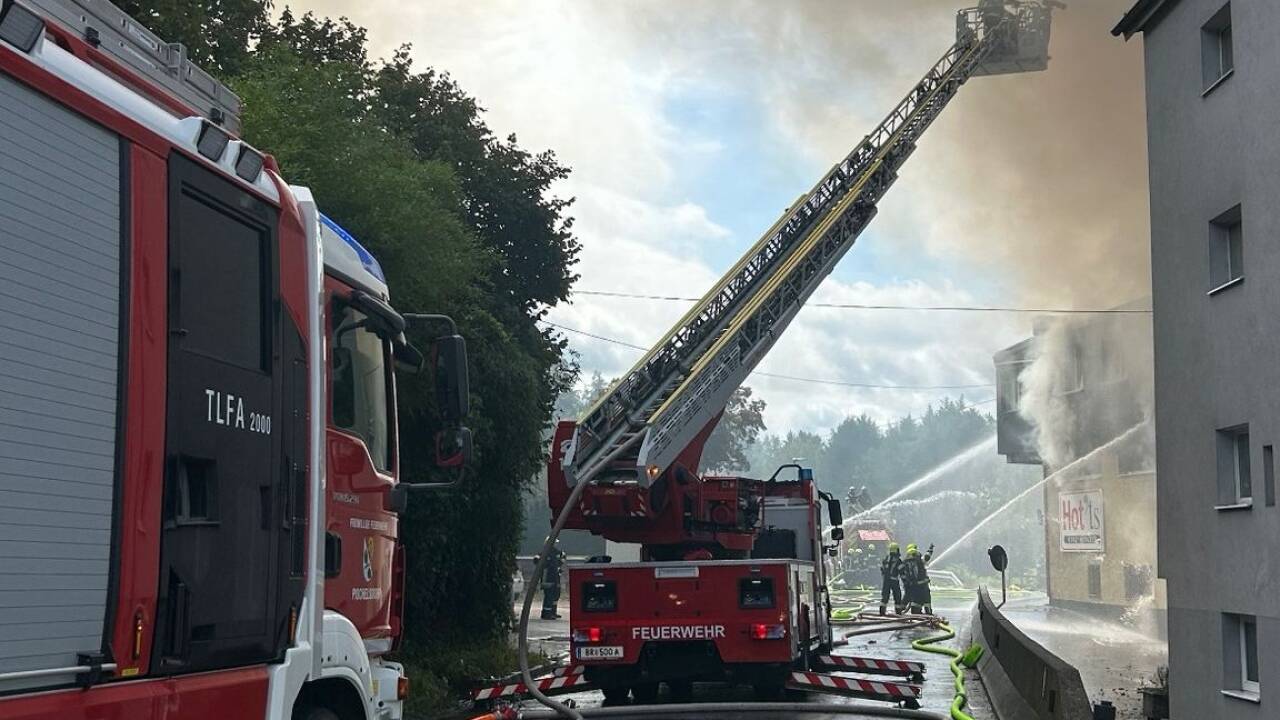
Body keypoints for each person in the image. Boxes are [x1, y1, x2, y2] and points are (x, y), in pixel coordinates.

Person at [901, 543, 935, 615]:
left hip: (914, 587)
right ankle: (929, 617)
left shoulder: (905, 563)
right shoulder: (919, 560)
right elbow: (927, 557)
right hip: (923, 586)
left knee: (915, 606)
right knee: (927, 602)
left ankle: (915, 614)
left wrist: (906, 584)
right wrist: (930, 549)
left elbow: (903, 575)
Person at [540, 545, 566, 620]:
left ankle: (553, 612)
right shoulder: (544, 553)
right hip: (548, 578)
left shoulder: (557, 553)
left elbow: (562, 559)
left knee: (556, 595)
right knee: (549, 596)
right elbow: (536, 560)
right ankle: (546, 614)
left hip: (556, 578)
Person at [878, 542, 904, 615]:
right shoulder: (898, 560)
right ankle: (898, 612)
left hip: (886, 580)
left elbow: (882, 569)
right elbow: (902, 572)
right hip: (894, 581)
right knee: (897, 595)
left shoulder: (886, 558)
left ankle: (882, 611)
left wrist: (885, 576)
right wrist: (906, 581)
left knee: (885, 596)